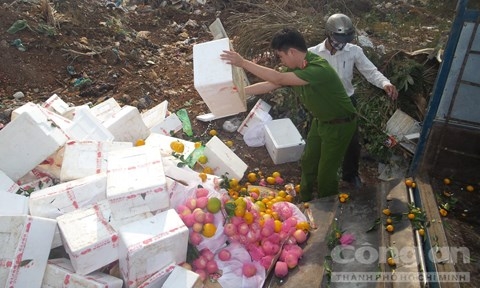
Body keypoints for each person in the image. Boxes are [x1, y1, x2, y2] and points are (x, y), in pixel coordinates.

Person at [220, 27, 356, 201]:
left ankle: (327, 211)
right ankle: (306, 200)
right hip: (321, 121)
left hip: (340, 125)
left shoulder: (318, 69)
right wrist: (239, 92)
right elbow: (270, 84)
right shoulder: (300, 68)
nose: (281, 61)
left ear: (291, 52)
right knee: (308, 161)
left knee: (326, 172)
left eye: (281, 56)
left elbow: (278, 78)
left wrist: (243, 62)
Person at [308, 13, 398, 188]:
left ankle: (350, 175)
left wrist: (385, 83)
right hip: (322, 105)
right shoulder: (312, 54)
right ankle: (317, 174)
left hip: (347, 102)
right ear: (329, 33)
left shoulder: (354, 51)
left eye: (345, 39)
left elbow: (370, 71)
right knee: (318, 139)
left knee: (352, 141)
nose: (341, 43)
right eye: (338, 38)